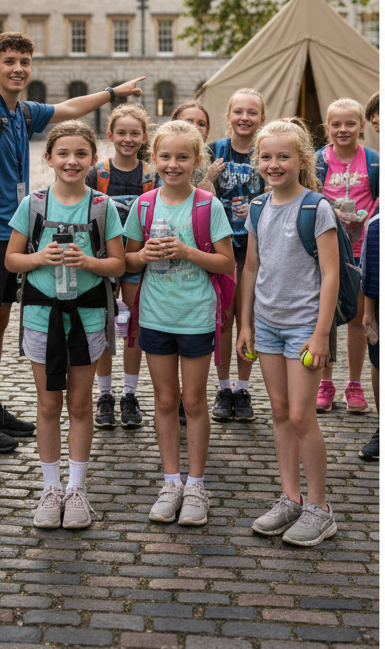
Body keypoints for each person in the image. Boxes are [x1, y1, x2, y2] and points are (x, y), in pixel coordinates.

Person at [0, 30, 143, 453]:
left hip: (14, 233)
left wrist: (113, 93)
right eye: (9, 62)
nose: (18, 69)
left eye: (24, 62)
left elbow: (69, 108)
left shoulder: (20, 112)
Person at [5, 122, 126, 528]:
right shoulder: (33, 205)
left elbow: (118, 264)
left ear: (93, 159)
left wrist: (89, 262)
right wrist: (39, 258)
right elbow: (12, 260)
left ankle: (76, 488)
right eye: (63, 154)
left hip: (89, 316)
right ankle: (50, 488)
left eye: (80, 154)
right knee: (47, 403)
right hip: (42, 317)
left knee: (78, 402)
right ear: (49, 158)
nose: (71, 161)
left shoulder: (103, 207)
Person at [123, 121, 234, 526]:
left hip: (196, 317)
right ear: (153, 160)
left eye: (182, 157)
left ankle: (195, 484)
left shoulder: (208, 205)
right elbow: (127, 261)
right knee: (165, 400)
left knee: (194, 401)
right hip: (155, 315)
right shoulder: (144, 205)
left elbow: (226, 263)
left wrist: (187, 251)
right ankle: (171, 482)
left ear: (197, 161)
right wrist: (144, 255)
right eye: (166, 157)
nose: (173, 164)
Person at [238, 119, 340, 546]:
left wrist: (320, 334)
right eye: (266, 157)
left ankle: (320, 508)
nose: (274, 164)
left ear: (302, 160)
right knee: (279, 413)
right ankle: (290, 497)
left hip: (303, 326)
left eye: (283, 156)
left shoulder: (317, 208)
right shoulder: (258, 208)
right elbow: (251, 268)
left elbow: (332, 275)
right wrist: (244, 324)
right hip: (267, 324)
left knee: (301, 416)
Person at [86, 103, 157, 429]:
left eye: (135, 133)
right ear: (110, 134)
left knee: (132, 329)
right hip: (101, 261)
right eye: (122, 133)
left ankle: (129, 393)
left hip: (137, 260)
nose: (128, 139)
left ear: (144, 137)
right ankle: (105, 394)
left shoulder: (151, 175)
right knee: (103, 326)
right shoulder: (97, 173)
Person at [314, 98, 379, 413]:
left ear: (362, 126)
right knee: (325, 318)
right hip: (324, 251)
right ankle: (325, 383)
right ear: (327, 128)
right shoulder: (317, 162)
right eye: (336, 124)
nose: (343, 130)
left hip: (360, 250)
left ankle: (355, 384)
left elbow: (380, 202)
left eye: (350, 124)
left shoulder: (373, 161)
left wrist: (366, 216)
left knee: (356, 319)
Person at [205, 88, 266, 422]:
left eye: (252, 112)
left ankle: (243, 388)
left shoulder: (266, 153)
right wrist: (208, 179)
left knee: (249, 319)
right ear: (227, 116)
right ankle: (223, 387)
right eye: (238, 112)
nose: (245, 118)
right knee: (223, 319)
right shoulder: (213, 151)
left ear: (262, 118)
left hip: (255, 249)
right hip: (220, 247)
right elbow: (192, 191)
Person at [359, 210, 380, 461]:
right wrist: (368, 312)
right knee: (377, 361)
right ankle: (382, 425)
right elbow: (369, 271)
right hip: (378, 299)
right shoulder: (375, 224)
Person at [171, 101, 212, 188]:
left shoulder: (215, 159)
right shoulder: (160, 157)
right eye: (189, 121)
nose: (195, 127)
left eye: (201, 124)